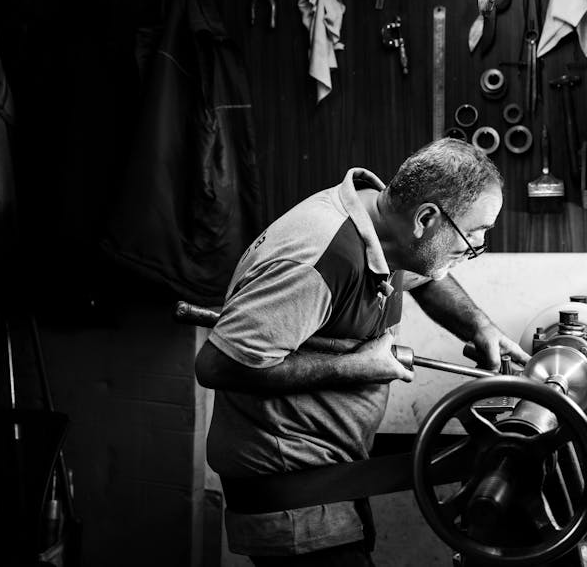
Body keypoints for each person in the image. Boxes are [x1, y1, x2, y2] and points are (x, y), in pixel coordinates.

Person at [195, 138, 530, 565]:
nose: (474, 249)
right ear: (426, 218)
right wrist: (359, 366)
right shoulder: (322, 259)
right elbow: (218, 364)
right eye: (473, 235)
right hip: (293, 497)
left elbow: (425, 271)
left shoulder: (383, 226)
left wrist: (480, 326)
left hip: (334, 477)